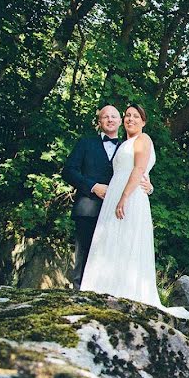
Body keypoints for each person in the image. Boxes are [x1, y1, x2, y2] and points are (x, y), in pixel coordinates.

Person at [78, 103, 189, 319]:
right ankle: (105, 289)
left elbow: (139, 169)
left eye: (135, 116)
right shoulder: (124, 143)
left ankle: (126, 292)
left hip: (128, 197)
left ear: (144, 121)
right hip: (116, 194)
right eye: (127, 115)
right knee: (111, 241)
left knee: (128, 239)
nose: (130, 119)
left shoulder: (143, 139)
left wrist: (124, 197)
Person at [62, 105, 152, 288]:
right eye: (105, 117)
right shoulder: (86, 143)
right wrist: (93, 187)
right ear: (99, 122)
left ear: (120, 121)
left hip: (118, 211)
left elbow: (140, 171)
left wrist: (149, 187)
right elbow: (68, 171)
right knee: (85, 255)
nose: (110, 119)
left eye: (114, 116)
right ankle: (79, 295)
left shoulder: (129, 144)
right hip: (89, 207)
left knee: (116, 254)